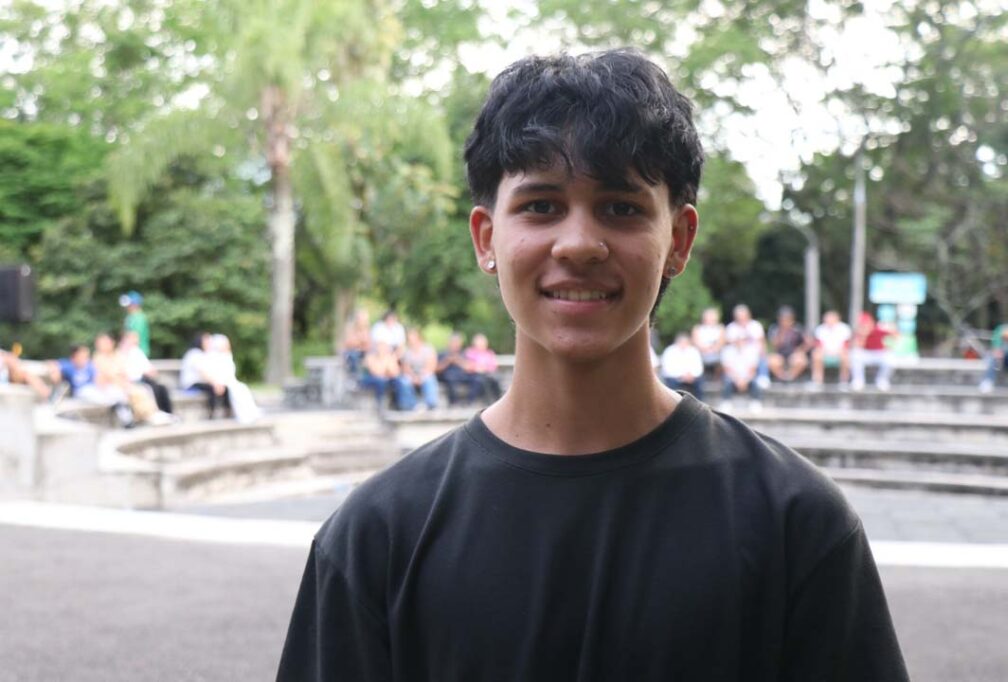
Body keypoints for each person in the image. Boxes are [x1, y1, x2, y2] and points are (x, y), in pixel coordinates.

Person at [278, 50, 907, 681]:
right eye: (541, 206)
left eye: (622, 207)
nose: (579, 244)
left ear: (679, 241)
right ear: (485, 238)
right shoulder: (379, 536)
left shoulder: (795, 522)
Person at [207, 334, 260, 423]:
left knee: (242, 389)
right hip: (222, 382)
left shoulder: (227, 356)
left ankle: (250, 413)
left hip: (230, 381)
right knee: (237, 391)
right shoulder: (213, 357)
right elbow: (215, 373)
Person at [119, 330, 174, 414]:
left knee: (162, 388)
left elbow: (148, 367)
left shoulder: (137, 351)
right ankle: (157, 412)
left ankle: (168, 413)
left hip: (145, 378)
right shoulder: (121, 353)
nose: (136, 340)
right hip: (135, 380)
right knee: (151, 389)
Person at [180, 333, 231, 419]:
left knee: (225, 388)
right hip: (192, 383)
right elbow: (203, 373)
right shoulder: (194, 354)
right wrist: (215, 384)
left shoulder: (205, 355)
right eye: (206, 341)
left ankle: (227, 412)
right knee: (212, 389)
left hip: (203, 382)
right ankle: (212, 414)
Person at [726, 303, 770, 388]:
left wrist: (763, 351)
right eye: (739, 316)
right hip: (738, 354)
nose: (741, 318)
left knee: (761, 356)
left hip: (755, 353)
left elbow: (762, 341)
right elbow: (729, 344)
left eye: (743, 316)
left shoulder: (756, 325)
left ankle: (763, 376)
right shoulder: (731, 327)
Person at [396, 328, 440, 411]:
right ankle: (409, 405)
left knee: (429, 379)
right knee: (404, 381)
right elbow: (406, 367)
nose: (411, 340)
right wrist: (413, 377)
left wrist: (420, 377)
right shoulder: (406, 351)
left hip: (425, 373)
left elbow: (431, 366)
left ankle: (431, 404)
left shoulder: (428, 349)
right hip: (412, 375)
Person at [850, 311, 895, 392]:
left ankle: (882, 381)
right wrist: (863, 336)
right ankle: (858, 381)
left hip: (879, 354)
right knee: (855, 354)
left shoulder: (879, 330)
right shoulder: (858, 333)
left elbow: (895, 335)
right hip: (866, 354)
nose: (865, 325)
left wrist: (890, 346)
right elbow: (858, 346)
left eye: (867, 323)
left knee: (889, 358)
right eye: (863, 324)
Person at [720, 331, 764, 410]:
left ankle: (755, 402)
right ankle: (726, 402)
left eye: (743, 340)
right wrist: (737, 379)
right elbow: (727, 369)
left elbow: (753, 369)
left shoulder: (752, 351)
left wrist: (744, 380)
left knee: (755, 381)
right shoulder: (727, 350)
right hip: (733, 376)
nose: (740, 342)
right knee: (727, 380)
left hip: (747, 377)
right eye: (738, 339)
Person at [766, 305, 810, 383]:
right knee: (771, 360)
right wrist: (782, 333)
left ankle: (790, 377)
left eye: (787, 319)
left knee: (801, 360)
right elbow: (773, 345)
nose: (785, 322)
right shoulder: (774, 329)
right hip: (780, 354)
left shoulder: (798, 328)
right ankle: (782, 377)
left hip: (794, 354)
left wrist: (800, 350)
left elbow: (808, 343)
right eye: (783, 319)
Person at [436, 332, 481, 406]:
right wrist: (447, 361)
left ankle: (470, 402)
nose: (456, 344)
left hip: (462, 376)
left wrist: (458, 361)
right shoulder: (442, 353)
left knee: (478, 379)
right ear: (449, 343)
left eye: (458, 342)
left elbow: (469, 368)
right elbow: (436, 369)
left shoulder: (464, 353)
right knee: (450, 377)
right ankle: (454, 403)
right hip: (447, 377)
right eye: (453, 342)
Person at [979, 321, 1008, 395]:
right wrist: (998, 353)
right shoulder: (999, 331)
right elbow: (995, 348)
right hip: (1002, 360)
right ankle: (988, 382)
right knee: (992, 358)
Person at [811, 309, 852, 387]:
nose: (829, 320)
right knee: (816, 355)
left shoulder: (844, 328)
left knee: (845, 356)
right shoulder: (820, 329)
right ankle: (817, 381)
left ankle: (844, 382)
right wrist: (826, 352)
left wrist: (837, 352)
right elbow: (819, 345)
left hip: (840, 352)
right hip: (824, 352)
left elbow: (846, 345)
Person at [359, 339, 402, 411]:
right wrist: (386, 369)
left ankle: (398, 403)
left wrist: (386, 370)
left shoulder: (390, 357)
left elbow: (395, 372)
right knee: (380, 381)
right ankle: (380, 403)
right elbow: (376, 372)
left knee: (397, 381)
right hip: (370, 379)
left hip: (385, 379)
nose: (381, 350)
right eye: (380, 347)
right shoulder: (370, 357)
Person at [660, 331, 704, 400]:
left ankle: (700, 404)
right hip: (674, 377)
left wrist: (691, 375)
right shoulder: (669, 351)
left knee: (699, 383)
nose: (683, 344)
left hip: (691, 377)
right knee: (672, 384)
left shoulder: (693, 351)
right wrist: (681, 375)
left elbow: (699, 368)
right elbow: (667, 369)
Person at [464, 332, 502, 403]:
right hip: (474, 374)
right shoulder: (470, 352)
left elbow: (494, 366)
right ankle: (473, 401)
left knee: (494, 380)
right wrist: (477, 368)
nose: (481, 344)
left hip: (488, 373)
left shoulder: (489, 353)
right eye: (479, 343)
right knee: (481, 380)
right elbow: (467, 366)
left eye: (483, 343)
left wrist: (485, 368)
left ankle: (498, 400)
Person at [691, 306, 725, 377]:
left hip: (717, 352)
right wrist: (705, 349)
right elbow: (695, 342)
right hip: (701, 352)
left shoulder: (720, 328)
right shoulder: (697, 328)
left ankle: (718, 378)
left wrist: (713, 349)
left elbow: (721, 342)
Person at [339, 308, 372, 375]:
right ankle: (355, 377)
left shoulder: (367, 329)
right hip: (351, 352)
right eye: (361, 319)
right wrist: (361, 342)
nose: (362, 321)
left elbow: (368, 345)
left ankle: (364, 378)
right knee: (353, 356)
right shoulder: (350, 328)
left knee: (371, 358)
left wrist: (359, 342)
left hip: (363, 352)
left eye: (364, 319)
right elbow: (348, 343)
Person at [119, 291, 151, 358]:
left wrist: (123, 352)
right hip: (131, 351)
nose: (127, 307)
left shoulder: (139, 318)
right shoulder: (130, 317)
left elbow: (135, 337)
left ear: (135, 305)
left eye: (130, 304)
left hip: (138, 352)